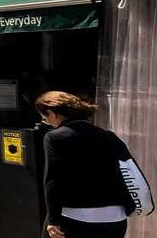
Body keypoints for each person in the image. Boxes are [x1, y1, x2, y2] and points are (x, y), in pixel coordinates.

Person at [36, 90, 136, 238]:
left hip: (76, 216)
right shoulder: (108, 136)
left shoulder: (54, 137)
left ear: (52, 112)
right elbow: (128, 169)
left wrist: (53, 220)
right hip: (115, 217)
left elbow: (53, 180)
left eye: (45, 117)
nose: (47, 121)